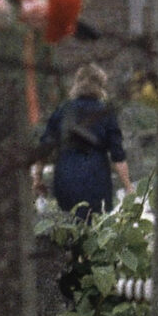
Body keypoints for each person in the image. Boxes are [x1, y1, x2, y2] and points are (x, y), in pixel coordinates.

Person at [38, 62, 131, 215]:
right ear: (101, 86)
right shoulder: (106, 114)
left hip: (65, 175)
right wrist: (128, 186)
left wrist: (37, 178)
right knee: (95, 226)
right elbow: (117, 155)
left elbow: (44, 147)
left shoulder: (63, 111)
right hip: (96, 177)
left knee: (67, 225)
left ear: (77, 84)